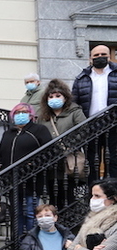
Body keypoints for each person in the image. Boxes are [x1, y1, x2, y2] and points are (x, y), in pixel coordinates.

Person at [0, 103, 52, 236]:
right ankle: (18, 244)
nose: (20, 114)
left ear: (31, 114)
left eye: (24, 112)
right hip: (11, 181)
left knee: (31, 212)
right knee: (17, 214)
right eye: (17, 112)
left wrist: (33, 165)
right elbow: (0, 154)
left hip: (31, 180)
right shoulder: (8, 133)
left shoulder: (39, 130)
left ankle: (31, 242)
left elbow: (49, 152)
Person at [37, 79, 87, 209]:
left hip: (68, 158)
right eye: (51, 96)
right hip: (50, 161)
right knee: (53, 195)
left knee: (68, 193)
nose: (54, 99)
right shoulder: (43, 116)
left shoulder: (75, 111)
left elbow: (85, 129)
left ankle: (70, 223)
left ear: (65, 97)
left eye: (58, 96)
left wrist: (70, 144)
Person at [72, 45, 117, 179]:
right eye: (96, 55)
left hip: (113, 122)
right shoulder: (82, 78)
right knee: (92, 160)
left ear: (109, 56)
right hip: (90, 124)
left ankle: (112, 192)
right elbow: (74, 102)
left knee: (113, 159)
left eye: (103, 54)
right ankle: (94, 191)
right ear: (90, 58)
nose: (99, 57)